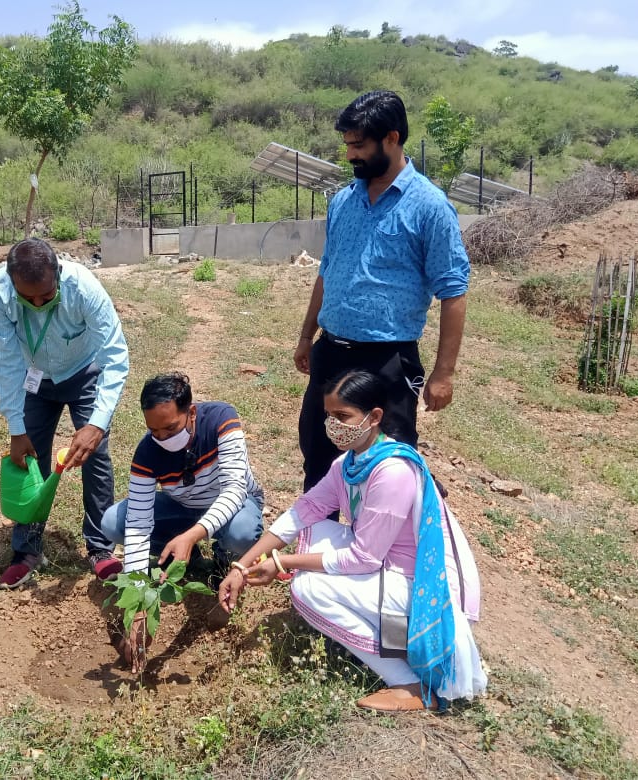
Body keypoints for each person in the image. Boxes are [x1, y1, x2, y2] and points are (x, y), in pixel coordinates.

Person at [218, 370, 486, 712]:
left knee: (307, 590)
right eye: (329, 416)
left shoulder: (393, 473)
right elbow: (305, 511)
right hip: (390, 569)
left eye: (343, 416)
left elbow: (364, 559)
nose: (333, 425)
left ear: (374, 417)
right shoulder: (350, 463)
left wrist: (282, 563)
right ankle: (393, 641)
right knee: (315, 532)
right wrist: (242, 565)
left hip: (418, 585)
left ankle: (408, 682)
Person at [294, 90, 470, 491]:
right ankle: (318, 547)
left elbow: (453, 292)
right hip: (330, 353)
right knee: (319, 458)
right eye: (348, 145)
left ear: (391, 138)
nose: (350, 155)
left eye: (359, 145)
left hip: (387, 361)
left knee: (387, 469)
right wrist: (307, 336)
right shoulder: (343, 201)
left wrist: (444, 373)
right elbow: (327, 271)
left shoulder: (430, 207)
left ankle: (383, 550)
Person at [0, 237, 129, 589]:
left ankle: (100, 548)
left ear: (58, 276)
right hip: (33, 380)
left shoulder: (84, 287)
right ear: (10, 281)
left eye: (46, 298)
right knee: (30, 460)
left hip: (84, 372)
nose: (36, 304)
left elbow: (114, 355)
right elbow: (3, 362)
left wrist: (95, 424)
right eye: (26, 298)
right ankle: (27, 550)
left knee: (95, 457)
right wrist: (16, 429)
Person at [101, 372, 264, 672]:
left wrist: (192, 536)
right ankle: (185, 559)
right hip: (183, 508)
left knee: (241, 534)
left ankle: (221, 563)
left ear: (190, 412)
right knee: (114, 522)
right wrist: (139, 603)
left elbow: (234, 489)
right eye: (154, 431)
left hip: (236, 504)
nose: (162, 437)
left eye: (170, 428)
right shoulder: (148, 452)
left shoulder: (221, 420)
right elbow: (137, 522)